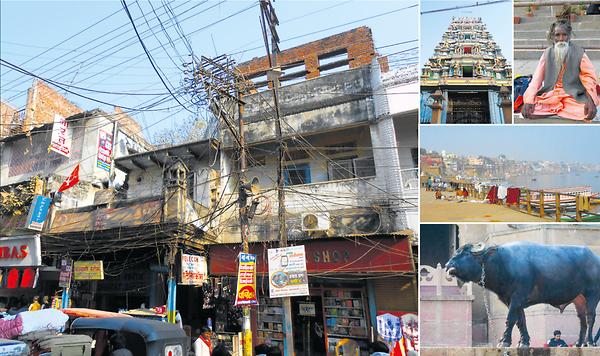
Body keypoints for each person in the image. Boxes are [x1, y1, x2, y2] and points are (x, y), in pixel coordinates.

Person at [522, 20, 599, 121]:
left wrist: (591, 100)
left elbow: (589, 78)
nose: (561, 39)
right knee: (529, 111)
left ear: (569, 36)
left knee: (584, 112)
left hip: (574, 95)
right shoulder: (547, 53)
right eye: (557, 35)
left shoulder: (579, 53)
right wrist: (528, 101)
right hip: (551, 94)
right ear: (552, 37)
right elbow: (536, 80)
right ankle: (557, 111)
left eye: (564, 35)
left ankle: (555, 111)